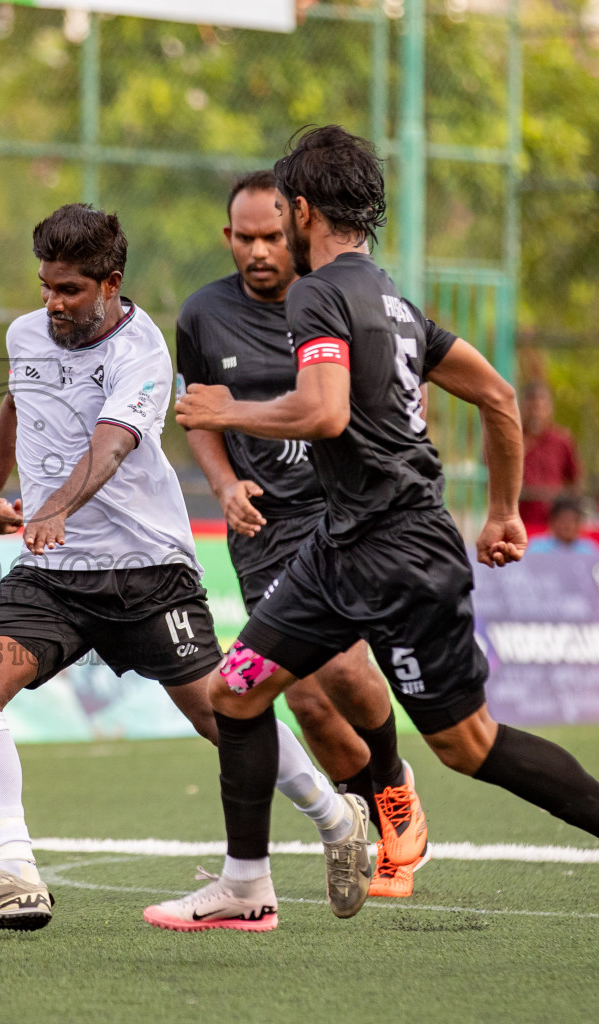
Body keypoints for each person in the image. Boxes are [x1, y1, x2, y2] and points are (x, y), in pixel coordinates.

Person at [155, 125, 599, 948]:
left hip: (403, 553)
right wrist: (507, 510)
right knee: (236, 690)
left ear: (303, 211)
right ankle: (244, 885)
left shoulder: (317, 295)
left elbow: (325, 410)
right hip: (339, 549)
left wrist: (223, 408)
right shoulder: (393, 301)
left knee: (467, 745)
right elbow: (500, 397)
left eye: (283, 221)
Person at [0, 204, 371, 934]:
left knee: (223, 715)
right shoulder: (26, 333)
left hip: (146, 572)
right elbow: (17, 400)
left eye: (69, 289)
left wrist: (55, 507)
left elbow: (111, 446)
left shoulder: (142, 352)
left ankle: (335, 818)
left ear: (111, 283)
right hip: (55, 575)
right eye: (45, 286)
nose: (53, 303)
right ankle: (16, 875)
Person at [177, 170, 424, 897]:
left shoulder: (336, 300)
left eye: (271, 237)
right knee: (310, 701)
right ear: (228, 237)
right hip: (260, 536)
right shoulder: (201, 316)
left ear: (297, 230)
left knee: (346, 671)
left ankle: (392, 784)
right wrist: (224, 486)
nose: (257, 250)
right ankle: (385, 830)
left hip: (335, 517)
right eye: (244, 237)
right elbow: (198, 416)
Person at [519, 381, 582, 529]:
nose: (536, 412)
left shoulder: (562, 440)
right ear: (522, 409)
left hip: (554, 527)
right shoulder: (512, 439)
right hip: (520, 521)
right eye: (531, 407)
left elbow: (574, 480)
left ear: (550, 409)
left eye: (541, 407)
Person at [526, 496, 597, 554]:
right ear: (552, 522)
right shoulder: (537, 547)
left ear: (580, 523)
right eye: (563, 520)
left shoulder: (588, 549)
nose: (568, 526)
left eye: (572, 520)